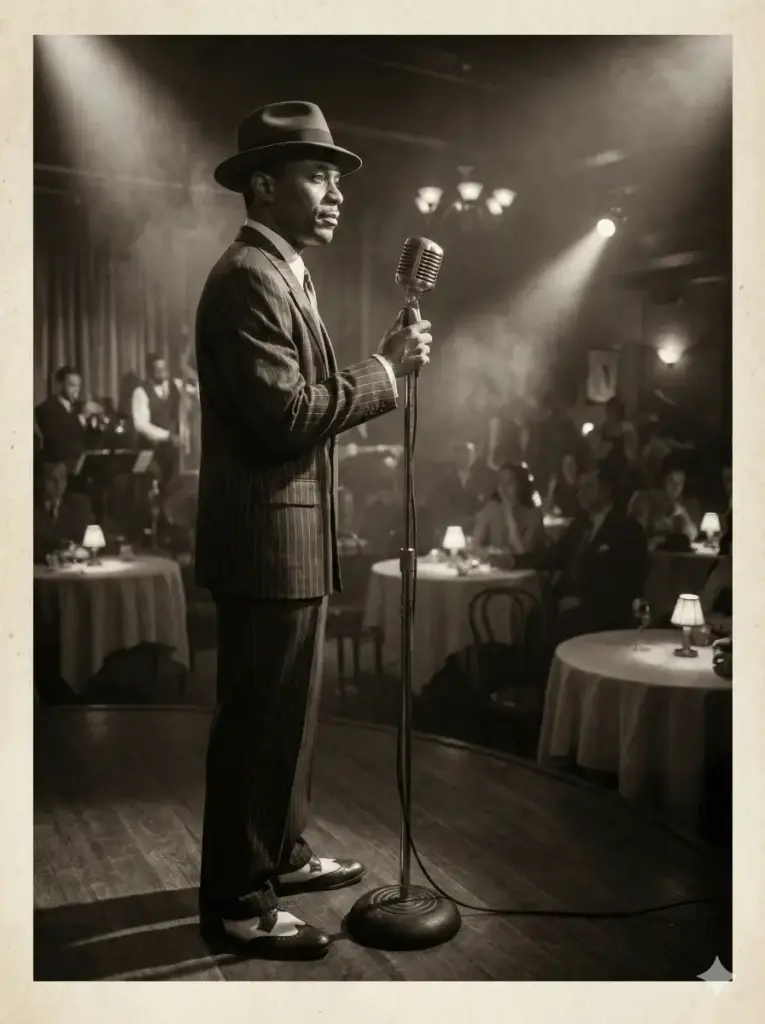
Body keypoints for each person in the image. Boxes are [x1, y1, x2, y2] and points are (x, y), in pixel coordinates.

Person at [194, 101, 432, 960]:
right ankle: (235, 897)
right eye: (317, 174)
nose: (335, 192)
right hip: (266, 543)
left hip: (287, 538)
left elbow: (301, 405)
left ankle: (280, 856)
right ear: (264, 184)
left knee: (288, 719)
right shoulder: (248, 277)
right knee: (259, 721)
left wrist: (376, 364)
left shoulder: (281, 272)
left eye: (335, 176)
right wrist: (382, 373)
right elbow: (285, 416)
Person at [507, 460, 649, 641]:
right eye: (579, 488)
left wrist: (583, 602)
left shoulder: (627, 530)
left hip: (603, 609)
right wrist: (514, 561)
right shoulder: (580, 525)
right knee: (529, 614)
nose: (580, 493)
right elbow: (553, 555)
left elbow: (624, 582)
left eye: (588, 487)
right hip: (567, 600)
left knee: (563, 623)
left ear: (605, 490)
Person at [130, 353, 198, 490]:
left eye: (164, 368)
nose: (163, 372)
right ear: (149, 371)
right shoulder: (140, 392)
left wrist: (193, 378)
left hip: (174, 452)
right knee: (156, 488)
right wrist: (168, 436)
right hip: (153, 451)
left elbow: (197, 395)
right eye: (158, 369)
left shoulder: (177, 385)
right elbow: (142, 425)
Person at [472, 462, 547, 555]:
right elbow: (475, 545)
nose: (502, 488)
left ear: (520, 485)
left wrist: (510, 518)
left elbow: (523, 554)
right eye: (500, 482)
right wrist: (492, 552)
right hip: (495, 567)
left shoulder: (533, 515)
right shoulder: (490, 510)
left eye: (509, 483)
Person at [628, 455, 700, 550]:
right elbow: (636, 532)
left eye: (681, 483)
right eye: (672, 481)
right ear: (663, 480)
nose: (676, 487)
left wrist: (683, 513)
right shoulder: (644, 498)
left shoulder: (683, 504)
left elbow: (692, 536)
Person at [33, 460, 94, 563]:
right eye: (51, 479)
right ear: (39, 480)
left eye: (62, 478)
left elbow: (88, 541)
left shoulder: (79, 504)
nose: (58, 485)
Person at [34, 365, 91, 470]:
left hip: (80, 466)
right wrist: (81, 419)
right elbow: (57, 439)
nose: (76, 391)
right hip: (58, 468)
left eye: (78, 386)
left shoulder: (78, 408)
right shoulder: (46, 409)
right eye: (72, 385)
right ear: (59, 385)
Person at [542, 452, 582, 520]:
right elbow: (546, 511)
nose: (571, 468)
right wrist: (551, 489)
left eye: (573, 464)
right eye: (568, 465)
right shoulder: (560, 493)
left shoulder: (583, 485)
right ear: (562, 469)